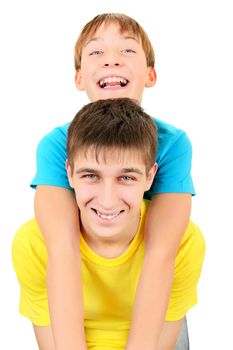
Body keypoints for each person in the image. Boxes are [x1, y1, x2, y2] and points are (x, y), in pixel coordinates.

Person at [13, 13, 202, 350]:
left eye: (127, 51)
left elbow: (162, 252)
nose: (112, 59)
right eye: (96, 52)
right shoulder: (56, 145)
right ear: (78, 76)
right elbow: (62, 249)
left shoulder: (173, 144)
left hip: (152, 301)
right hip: (83, 303)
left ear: (150, 74)